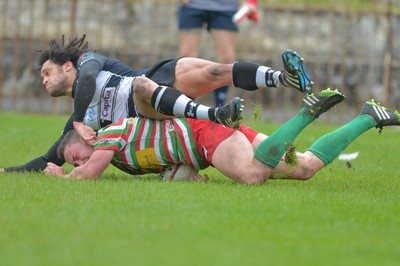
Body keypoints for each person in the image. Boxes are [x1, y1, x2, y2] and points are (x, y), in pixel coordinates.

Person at [0, 35, 314, 173]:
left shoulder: (87, 64)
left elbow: (88, 78)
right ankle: (216, 114)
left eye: (47, 72)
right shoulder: (77, 126)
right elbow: (48, 159)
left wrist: (81, 117)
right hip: (147, 108)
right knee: (140, 89)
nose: (44, 81)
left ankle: (284, 79)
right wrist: (7, 171)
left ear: (67, 65)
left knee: (217, 71)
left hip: (158, 78)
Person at [45, 88, 400, 184]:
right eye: (74, 163)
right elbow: (166, 159)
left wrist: (61, 175)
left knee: (253, 175)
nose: (81, 163)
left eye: (77, 156)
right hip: (204, 144)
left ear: (89, 138)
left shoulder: (111, 134)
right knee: (305, 167)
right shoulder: (125, 161)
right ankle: (368, 117)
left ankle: (307, 112)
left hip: (204, 134)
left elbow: (88, 175)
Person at [178, 0, 259, 107]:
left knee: (226, 59)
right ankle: (185, 107)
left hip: (225, 7)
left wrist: (251, 2)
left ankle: (220, 109)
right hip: (193, 5)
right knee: (186, 56)